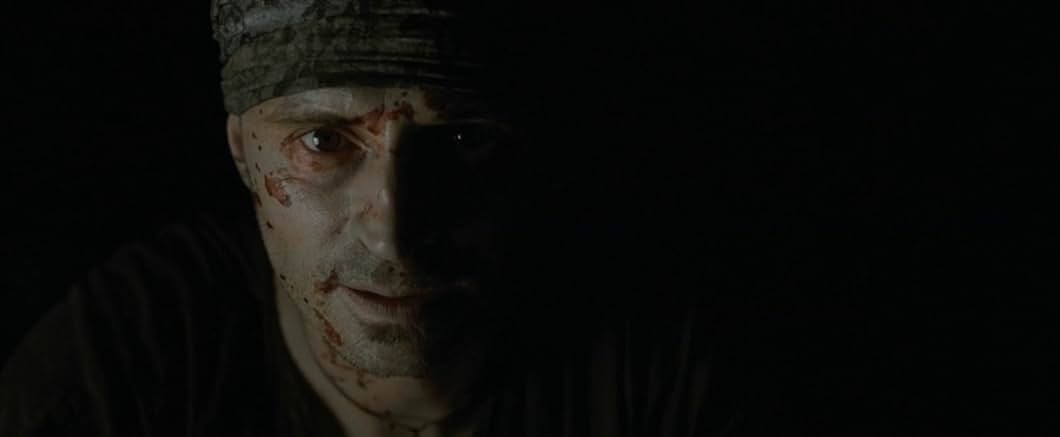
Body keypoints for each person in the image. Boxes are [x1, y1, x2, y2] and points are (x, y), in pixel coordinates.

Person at [1, 1, 732, 436]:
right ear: (241, 152)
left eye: (462, 140)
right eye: (323, 142)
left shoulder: (660, 356)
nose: (393, 230)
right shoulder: (127, 363)